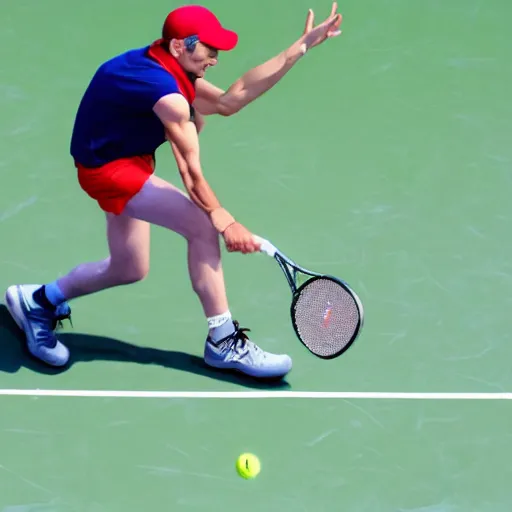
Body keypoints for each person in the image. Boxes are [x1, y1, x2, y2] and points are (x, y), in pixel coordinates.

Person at [4, 3, 343, 379]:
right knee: (200, 225)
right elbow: (191, 174)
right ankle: (223, 340)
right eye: (209, 49)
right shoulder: (167, 94)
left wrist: (299, 49)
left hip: (122, 157)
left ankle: (37, 301)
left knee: (129, 267)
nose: (215, 58)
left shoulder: (170, 65)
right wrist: (225, 220)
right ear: (181, 46)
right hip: (109, 170)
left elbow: (232, 99)